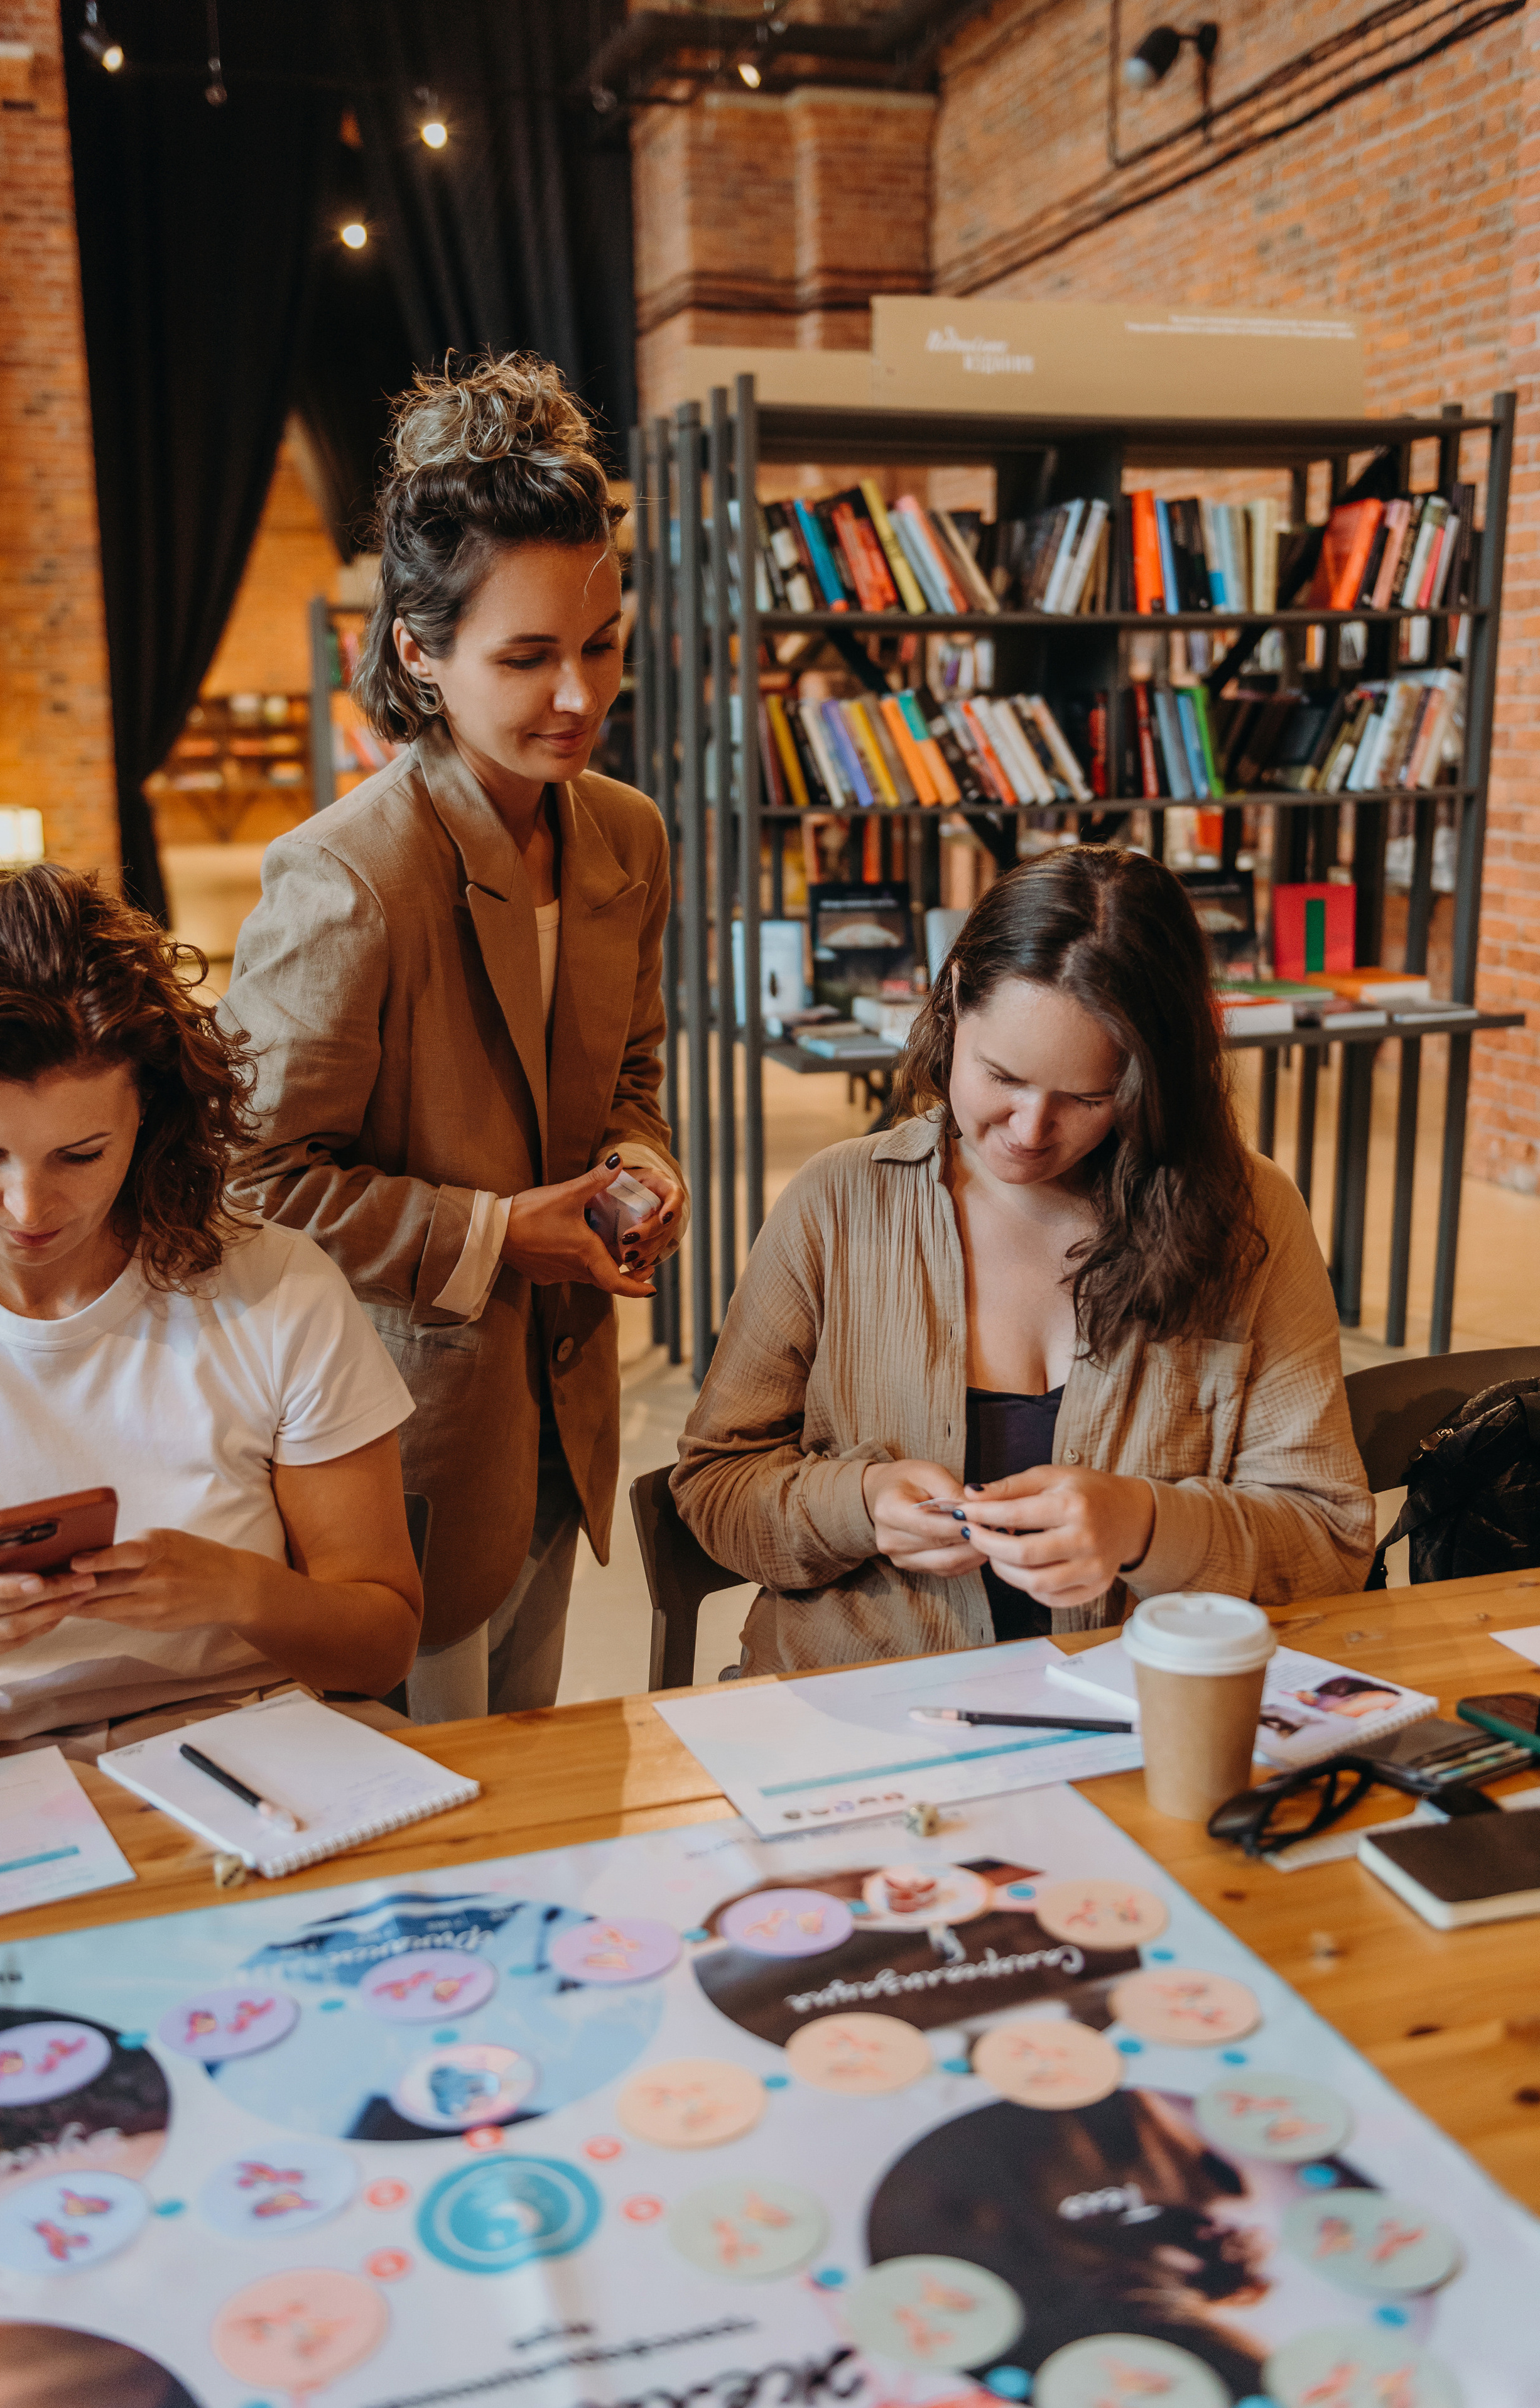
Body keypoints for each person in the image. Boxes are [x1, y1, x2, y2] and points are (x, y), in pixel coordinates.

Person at [220, 353, 683, 1720]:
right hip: (397, 1434)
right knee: (428, 1818)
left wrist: (637, 1168)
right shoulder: (347, 877)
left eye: (598, 648)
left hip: (563, 1402)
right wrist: (496, 1237)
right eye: (526, 659)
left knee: (536, 1780)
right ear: (419, 654)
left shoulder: (625, 834)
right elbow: (247, 1179)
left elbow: (631, 1074)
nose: (575, 700)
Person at [673, 845, 1373, 1673]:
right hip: (865, 1709)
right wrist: (857, 1504)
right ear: (955, 999)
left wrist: (1147, 1526)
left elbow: (1329, 1541)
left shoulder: (1246, 1219)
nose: (1030, 1129)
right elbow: (715, 1486)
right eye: (1000, 1075)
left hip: (1138, 1707)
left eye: (1087, 1097)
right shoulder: (838, 1203)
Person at [0, 867, 423, 1765]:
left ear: (151, 1114)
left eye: (80, 1154)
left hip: (259, 1735)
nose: (27, 1205)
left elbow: (382, 1645)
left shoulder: (274, 1286)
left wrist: (241, 1590)